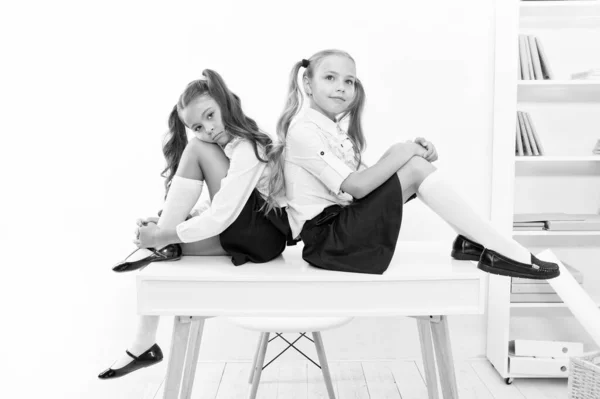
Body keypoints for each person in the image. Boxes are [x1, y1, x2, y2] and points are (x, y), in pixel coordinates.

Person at [269, 49, 560, 278]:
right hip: (328, 242)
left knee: (413, 164)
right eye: (329, 78)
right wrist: (405, 153)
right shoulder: (305, 131)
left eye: (349, 81)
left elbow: (365, 181)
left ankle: (475, 242)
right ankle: (503, 250)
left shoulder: (330, 130)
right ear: (308, 83)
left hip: (337, 232)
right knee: (415, 168)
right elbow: (358, 188)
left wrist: (405, 151)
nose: (341, 88)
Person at [98, 69, 293, 379]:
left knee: (196, 153)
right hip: (249, 234)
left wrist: (163, 231)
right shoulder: (228, 146)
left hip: (262, 236)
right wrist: (177, 222)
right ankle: (144, 344)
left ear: (226, 102)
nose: (209, 128)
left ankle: (158, 245)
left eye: (211, 115)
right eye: (198, 126)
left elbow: (223, 215)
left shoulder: (247, 147)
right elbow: (224, 200)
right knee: (167, 255)